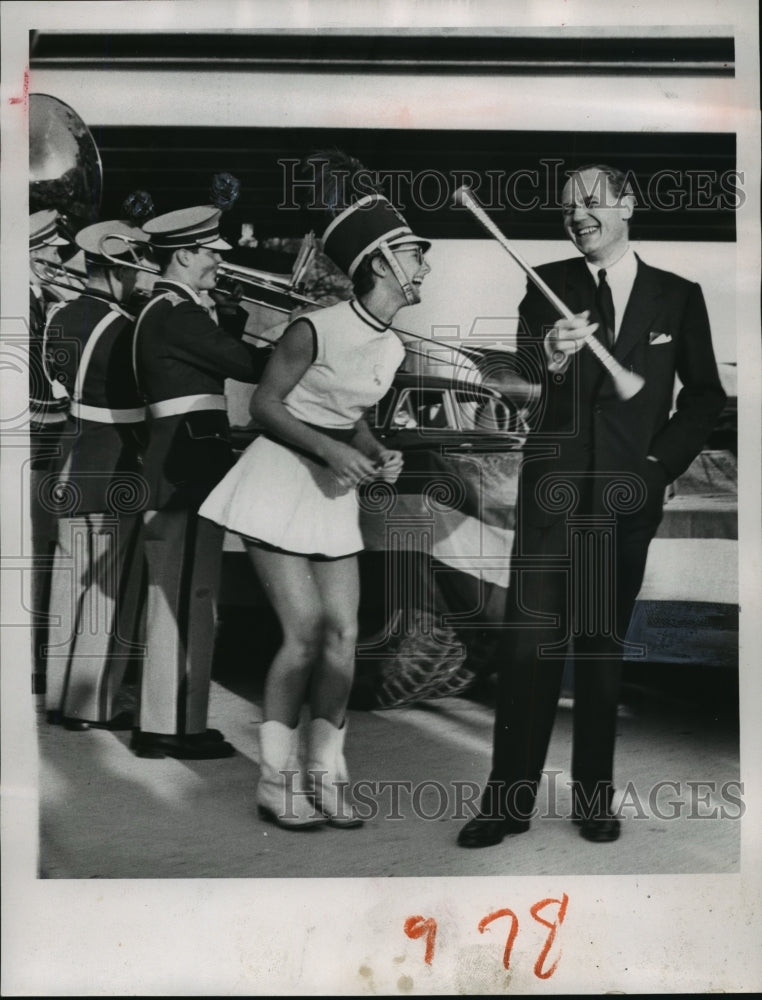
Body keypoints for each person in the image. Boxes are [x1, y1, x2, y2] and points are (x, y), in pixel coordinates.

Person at [457, 163, 726, 848]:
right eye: (567, 206)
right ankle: (507, 802)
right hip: (551, 494)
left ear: (627, 204)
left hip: (627, 499)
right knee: (528, 646)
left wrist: (659, 466)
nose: (577, 215)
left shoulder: (678, 296)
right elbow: (521, 387)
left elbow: (703, 397)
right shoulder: (545, 283)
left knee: (601, 648)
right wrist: (548, 357)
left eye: (591, 201)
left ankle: (594, 799)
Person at [199, 189, 431, 829]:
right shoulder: (313, 327)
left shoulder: (393, 347)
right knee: (303, 634)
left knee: (343, 637)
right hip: (276, 483)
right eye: (415, 254)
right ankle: (275, 781)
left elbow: (349, 416)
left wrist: (377, 452)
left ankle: (326, 772)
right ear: (381, 262)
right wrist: (332, 451)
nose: (425, 266)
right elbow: (266, 405)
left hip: (330, 494)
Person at [131, 205, 271, 760]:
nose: (219, 263)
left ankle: (174, 721)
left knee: (185, 597)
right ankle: (169, 727)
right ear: (185, 254)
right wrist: (303, 339)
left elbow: (211, 362)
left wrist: (228, 315)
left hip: (182, 466)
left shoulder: (171, 310)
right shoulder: (178, 313)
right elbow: (248, 366)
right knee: (188, 600)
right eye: (212, 253)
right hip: (186, 470)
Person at [44, 219, 150, 730]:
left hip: (71, 453)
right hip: (114, 460)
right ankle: (92, 704)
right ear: (117, 269)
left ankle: (59, 695)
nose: (140, 277)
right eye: (135, 268)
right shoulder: (125, 328)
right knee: (106, 586)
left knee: (68, 581)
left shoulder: (59, 314)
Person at [28, 210, 73, 693]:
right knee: (33, 547)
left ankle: (35, 658)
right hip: (34, 438)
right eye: (52, 250)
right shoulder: (22, 303)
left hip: (45, 438)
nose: (60, 259)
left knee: (41, 546)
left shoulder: (45, 300)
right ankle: (29, 661)